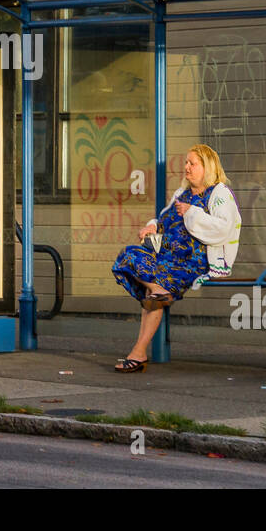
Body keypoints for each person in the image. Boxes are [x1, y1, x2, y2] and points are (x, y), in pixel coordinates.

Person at [110, 143, 241, 372]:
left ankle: (138, 353)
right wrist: (152, 227)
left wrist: (193, 212)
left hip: (194, 261)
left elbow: (224, 228)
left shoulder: (219, 193)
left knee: (154, 293)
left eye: (193, 163)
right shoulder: (182, 194)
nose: (187, 167)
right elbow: (163, 218)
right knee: (128, 256)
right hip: (167, 257)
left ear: (207, 167)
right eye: (186, 162)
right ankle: (158, 292)